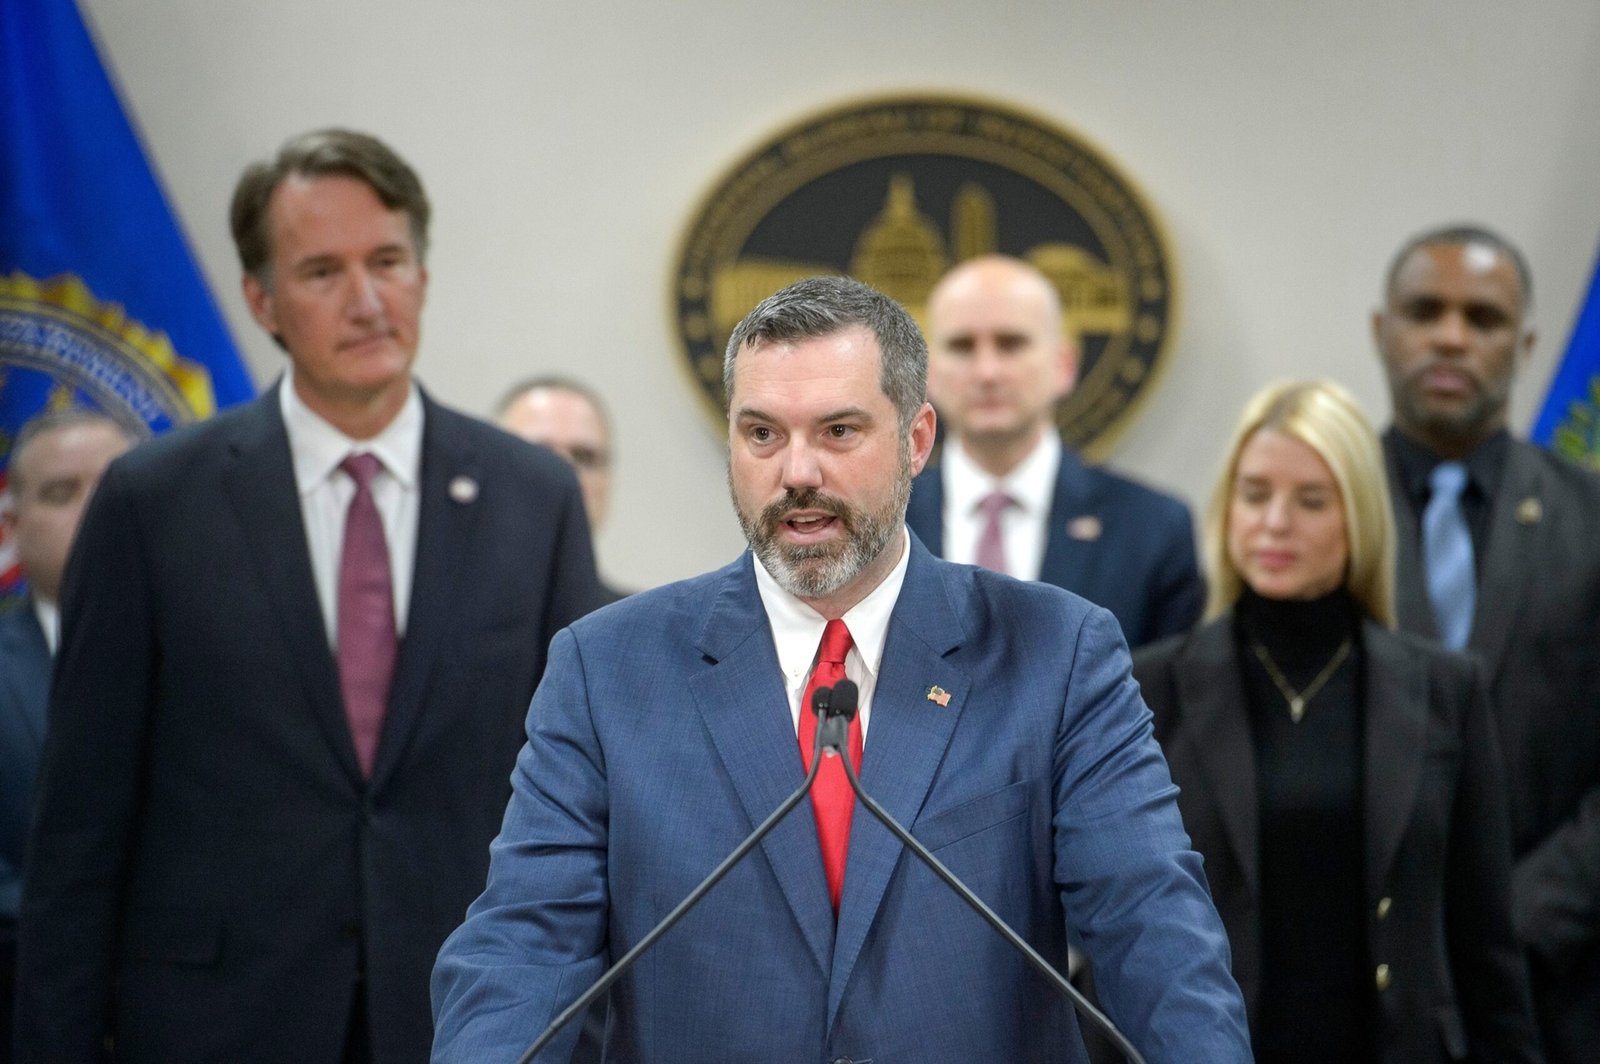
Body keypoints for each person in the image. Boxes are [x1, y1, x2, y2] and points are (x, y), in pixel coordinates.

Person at [431, 276, 1250, 1062]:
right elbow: (523, 945)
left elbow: (1151, 923)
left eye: (838, 432)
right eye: (762, 434)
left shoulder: (1057, 652)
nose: (797, 473)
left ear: (918, 439)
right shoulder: (606, 667)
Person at [15, 129, 601, 1063]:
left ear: (422, 272)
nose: (368, 301)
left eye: (389, 262)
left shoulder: (532, 498)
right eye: (323, 271)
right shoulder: (154, 501)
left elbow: (582, 795)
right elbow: (81, 822)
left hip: (467, 1017)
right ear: (262, 300)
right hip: (217, 1024)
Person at [1133, 380, 1542, 1063]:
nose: (1274, 523)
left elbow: (1484, 949)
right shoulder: (1149, 687)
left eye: (1311, 501)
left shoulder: (1446, 690)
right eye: (1255, 494)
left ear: (1359, 515)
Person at [1372, 225, 1600, 1064]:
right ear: (1380, 330)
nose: (1452, 336)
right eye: (1426, 311)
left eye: (1484, 317)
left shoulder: (1592, 519)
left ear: (1527, 342)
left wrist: (1515, 924)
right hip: (1356, 991)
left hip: (1561, 991)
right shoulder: (1309, 519)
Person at [905, 254, 1204, 648]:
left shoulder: (1151, 528)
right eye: (962, 346)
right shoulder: (885, 519)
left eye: (1012, 344)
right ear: (930, 374)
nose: (987, 371)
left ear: (1063, 365)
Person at [0, 410, 134, 1061]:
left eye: (112, 487)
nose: (93, 510)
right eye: (61, 492)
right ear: (13, 526)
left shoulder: (232, 653)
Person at [497, 376, 629, 603]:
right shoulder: (437, 607)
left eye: (584, 457)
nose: (565, 475)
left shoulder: (637, 629)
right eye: (538, 454)